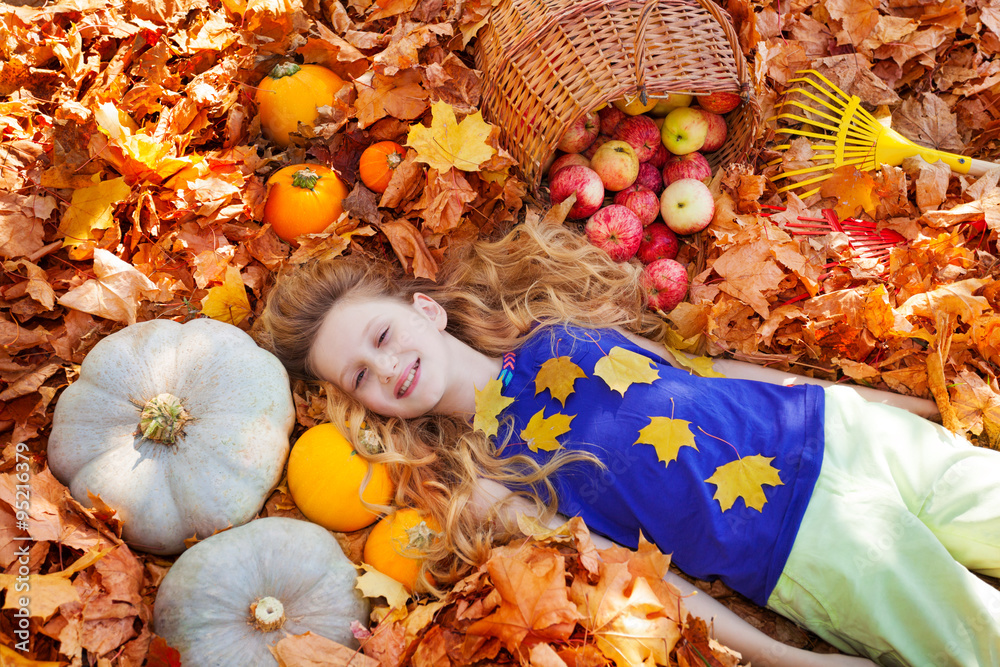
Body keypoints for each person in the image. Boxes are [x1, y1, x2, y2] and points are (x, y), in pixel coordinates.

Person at [253, 219, 1000, 667]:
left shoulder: (546, 328)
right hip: (803, 543)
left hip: (841, 432)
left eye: (383, 336)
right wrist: (788, 656)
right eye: (361, 376)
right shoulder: (488, 476)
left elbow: (707, 376)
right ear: (364, 405)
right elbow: (640, 580)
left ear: (426, 311)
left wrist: (886, 400)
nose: (387, 366)